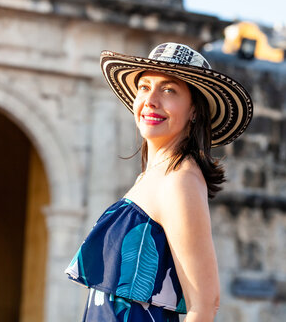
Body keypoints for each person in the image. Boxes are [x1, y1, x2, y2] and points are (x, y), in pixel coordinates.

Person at [65, 42, 253, 321]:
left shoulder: (180, 180)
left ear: (194, 111)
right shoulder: (153, 176)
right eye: (144, 87)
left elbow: (204, 304)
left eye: (168, 90)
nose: (150, 100)